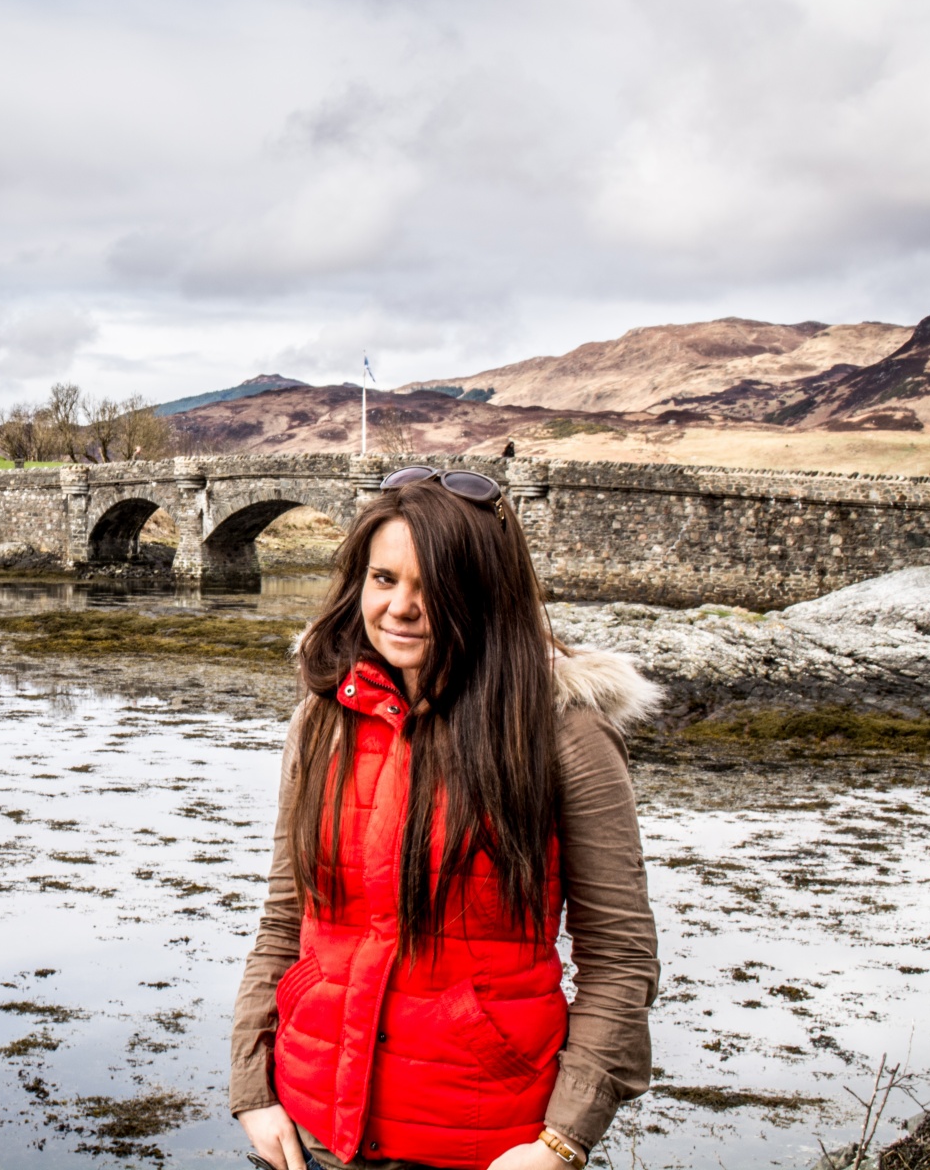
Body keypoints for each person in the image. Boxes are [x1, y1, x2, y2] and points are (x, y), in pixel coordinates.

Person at [232, 467, 661, 1170]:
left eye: (434, 585)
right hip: (310, 1134)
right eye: (384, 579)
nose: (402, 606)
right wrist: (252, 1086)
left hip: (485, 1147)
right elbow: (287, 916)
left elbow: (621, 958)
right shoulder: (321, 720)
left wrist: (560, 1143)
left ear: (489, 593)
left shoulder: (564, 735)